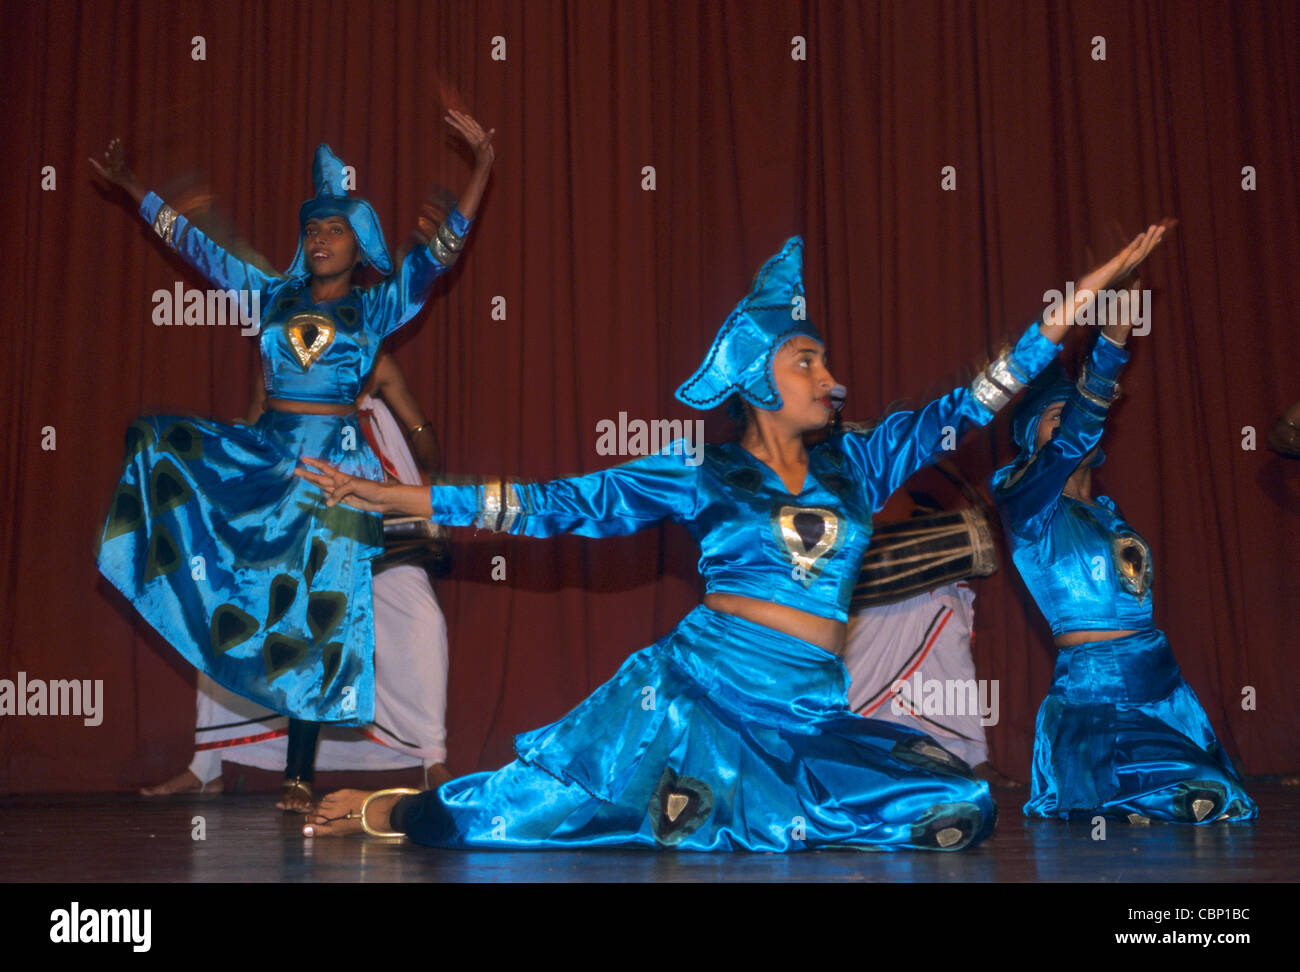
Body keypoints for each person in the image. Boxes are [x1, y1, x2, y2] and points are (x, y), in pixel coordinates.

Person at [295, 229, 1166, 851]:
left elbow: (978, 398)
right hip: (699, 687)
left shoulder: (860, 464)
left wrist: (1076, 302)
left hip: (809, 709)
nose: (834, 378)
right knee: (518, 816)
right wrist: (384, 491)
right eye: (808, 365)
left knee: (960, 804)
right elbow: (543, 502)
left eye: (826, 362)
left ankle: (750, 808)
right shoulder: (700, 472)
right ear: (758, 383)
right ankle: (396, 814)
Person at [92, 114, 494, 810]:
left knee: (322, 617)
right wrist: (134, 189)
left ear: (357, 246)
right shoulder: (273, 295)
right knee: (157, 440)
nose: (318, 238)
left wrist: (483, 162)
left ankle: (301, 778)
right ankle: (148, 574)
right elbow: (196, 248)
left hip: (334, 475)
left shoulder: (375, 309)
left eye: (333, 229)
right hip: (267, 459)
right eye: (311, 228)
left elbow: (442, 254)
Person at [991, 269, 1257, 824]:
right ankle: (1124, 793)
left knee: (1219, 796)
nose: (1069, 430)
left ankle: (1137, 797)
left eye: (1072, 417)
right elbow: (1080, 428)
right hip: (1096, 696)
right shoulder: (1025, 505)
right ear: (1029, 442)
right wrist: (1113, 341)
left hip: (1164, 686)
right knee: (1199, 790)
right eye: (1054, 420)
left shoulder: (1108, 516)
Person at [141, 354, 454, 798]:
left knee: (423, 622)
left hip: (372, 514)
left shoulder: (375, 360)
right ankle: (206, 766)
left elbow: (419, 431)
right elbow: (253, 436)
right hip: (295, 510)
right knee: (229, 612)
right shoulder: (274, 360)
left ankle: (431, 758)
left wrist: (426, 467)